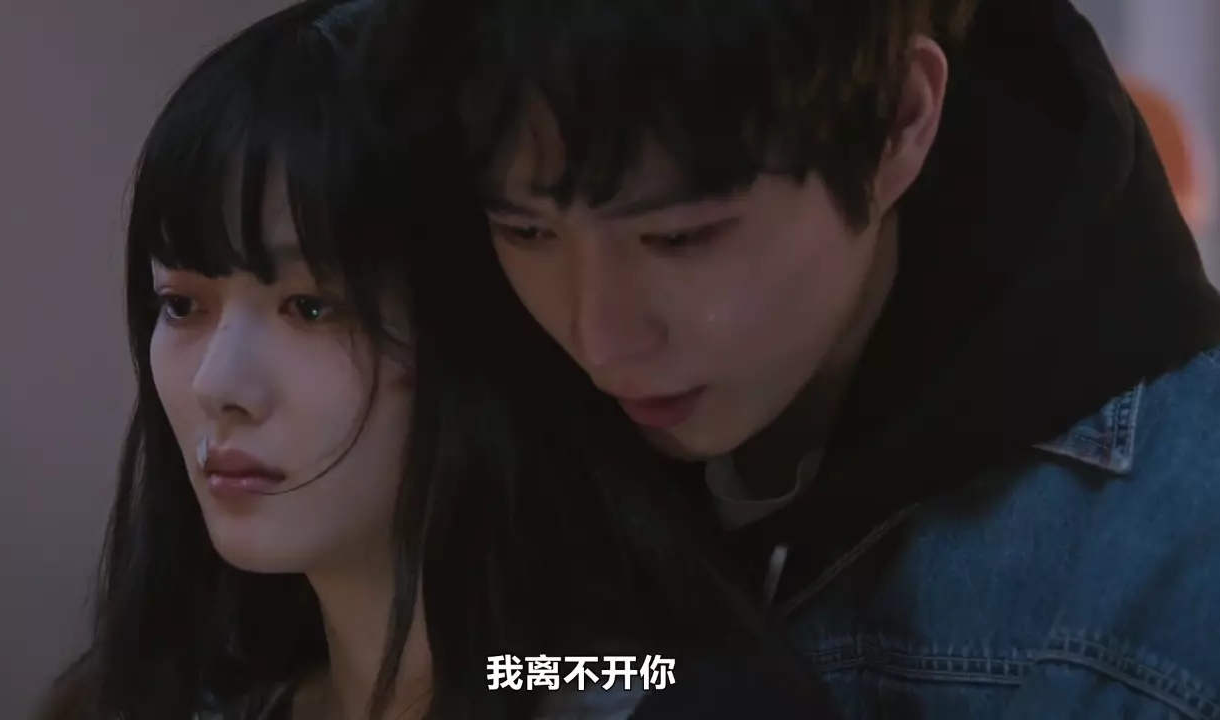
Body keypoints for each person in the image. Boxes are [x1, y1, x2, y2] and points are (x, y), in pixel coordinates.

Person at [358, 0, 1220, 716]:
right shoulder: (469, 389)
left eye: (678, 238)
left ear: (899, 124)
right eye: (526, 231)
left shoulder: (1166, 557)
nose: (599, 341)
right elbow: (532, 672)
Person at [36, 1, 838, 718]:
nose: (217, 385)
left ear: (472, 322)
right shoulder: (147, 701)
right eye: (181, 305)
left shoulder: (662, 695)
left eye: (312, 308)